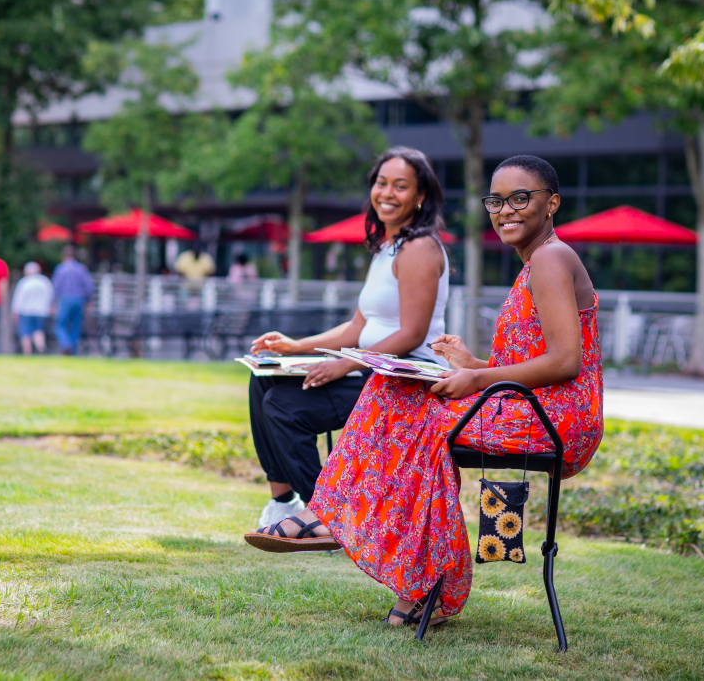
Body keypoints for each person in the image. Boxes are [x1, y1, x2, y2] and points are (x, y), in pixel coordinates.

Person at [245, 155, 603, 629]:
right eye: (496, 200)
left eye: (521, 198)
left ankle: (352, 527)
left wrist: (476, 380)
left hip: (555, 419)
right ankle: (368, 539)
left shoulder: (551, 258)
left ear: (551, 203)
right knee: (394, 393)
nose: (506, 210)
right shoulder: (538, 262)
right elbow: (537, 360)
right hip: (530, 406)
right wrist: (473, 363)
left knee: (404, 409)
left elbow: (565, 362)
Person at [247, 146, 451, 531]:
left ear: (420, 196)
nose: (387, 193)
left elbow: (412, 333)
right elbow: (358, 324)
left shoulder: (419, 248)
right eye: (381, 183)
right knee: (264, 380)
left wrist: (346, 363)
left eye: (401, 186)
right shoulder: (386, 248)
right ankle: (283, 501)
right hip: (370, 370)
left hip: (405, 382)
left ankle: (328, 516)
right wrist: (294, 346)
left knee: (284, 406)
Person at [52, 245, 95, 355]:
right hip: (79, 300)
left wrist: (52, 303)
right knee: (76, 327)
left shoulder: (60, 268)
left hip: (65, 299)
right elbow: (89, 287)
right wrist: (89, 301)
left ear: (64, 256)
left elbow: (56, 287)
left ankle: (66, 344)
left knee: (59, 325)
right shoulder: (81, 268)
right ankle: (73, 353)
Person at [10, 261, 53, 355]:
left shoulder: (24, 282)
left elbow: (18, 298)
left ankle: (27, 353)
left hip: (25, 311)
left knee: (25, 333)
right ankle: (41, 348)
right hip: (41, 311)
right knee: (38, 330)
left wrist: (14, 311)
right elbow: (50, 296)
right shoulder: (45, 281)